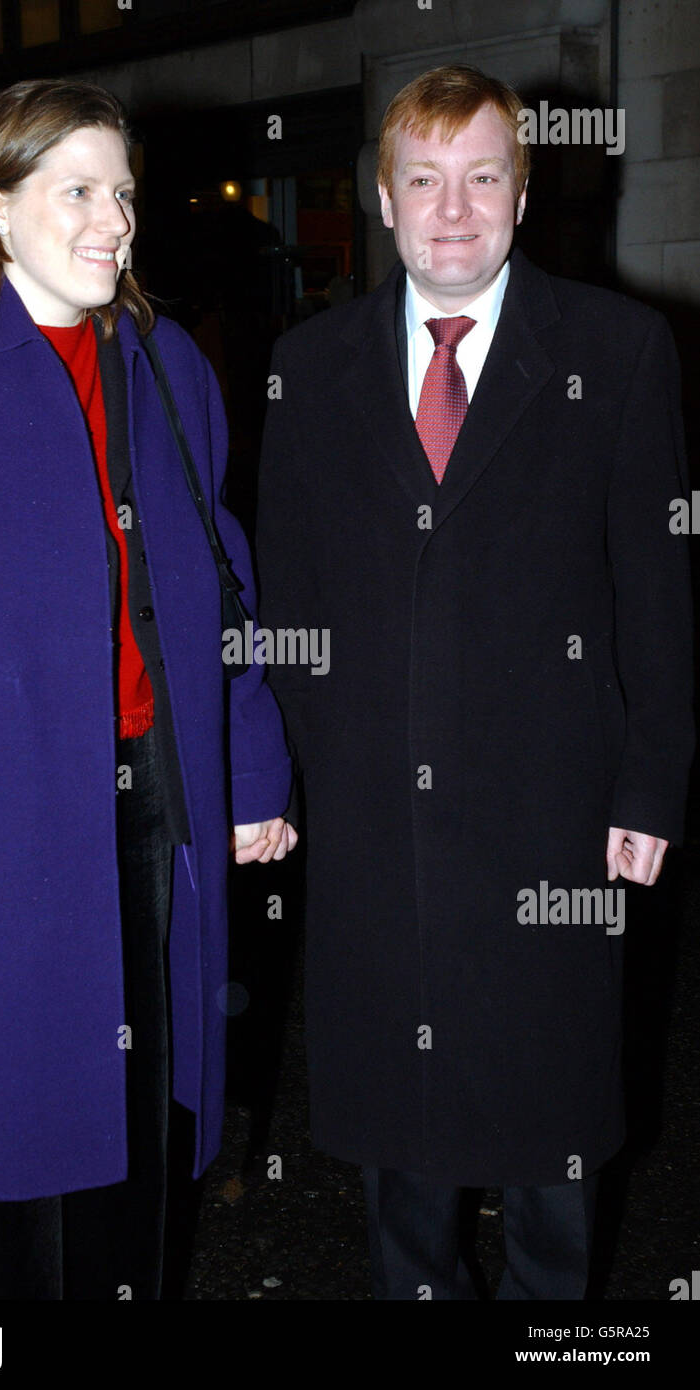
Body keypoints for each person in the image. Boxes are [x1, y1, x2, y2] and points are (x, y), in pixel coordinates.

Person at [0, 77, 296, 1301]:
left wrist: (250, 765)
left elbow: (223, 583)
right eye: (79, 192)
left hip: (151, 807)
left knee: (135, 1124)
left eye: (125, 195)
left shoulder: (167, 370)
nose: (114, 221)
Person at [255, 64, 694, 1300]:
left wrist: (653, 783)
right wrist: (279, 776)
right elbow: (289, 600)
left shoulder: (616, 350)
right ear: (384, 200)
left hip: (553, 817)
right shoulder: (309, 366)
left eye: (483, 177)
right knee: (401, 1147)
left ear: (522, 190)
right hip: (374, 824)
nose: (455, 210)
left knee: (553, 1135)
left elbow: (654, 591)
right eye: (425, 180)